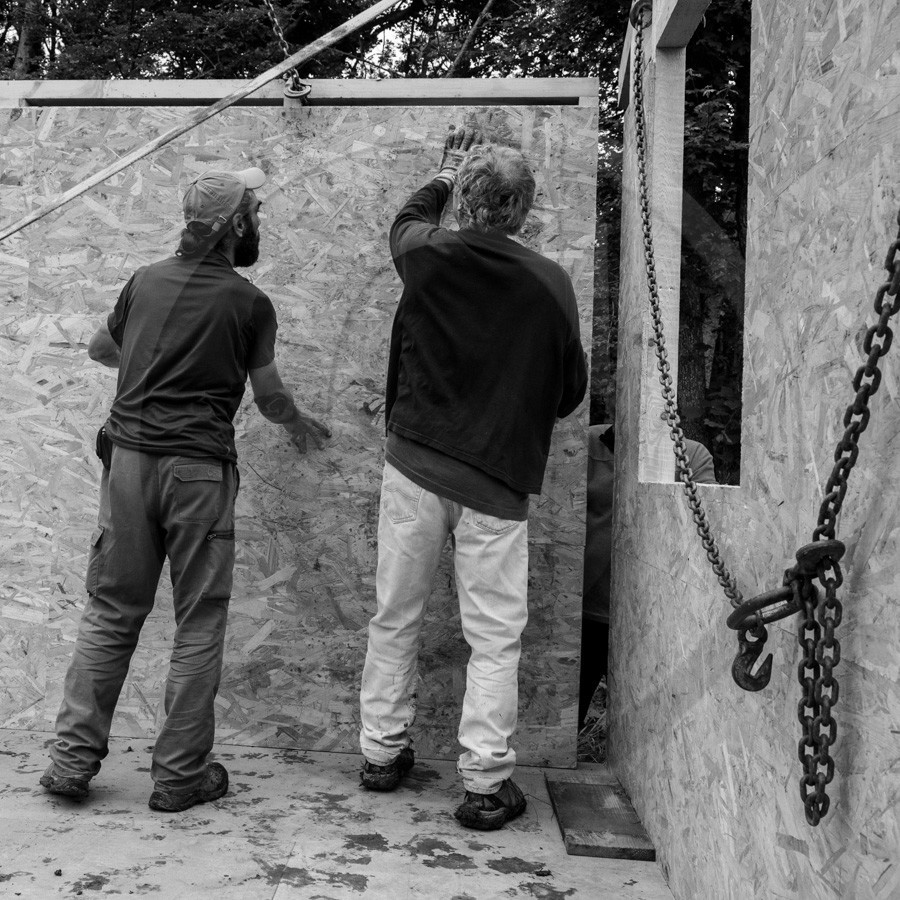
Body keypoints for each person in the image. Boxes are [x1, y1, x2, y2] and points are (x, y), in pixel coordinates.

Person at [40, 166, 330, 812]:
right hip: (197, 473)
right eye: (254, 210)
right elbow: (271, 396)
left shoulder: (144, 282)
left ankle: (70, 762)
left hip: (129, 466)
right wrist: (299, 423)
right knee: (199, 621)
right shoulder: (248, 303)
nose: (260, 219)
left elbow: (99, 350)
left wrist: (151, 359)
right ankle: (178, 778)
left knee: (113, 613)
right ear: (233, 227)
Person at [358, 126, 588, 831]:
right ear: (523, 210)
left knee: (396, 614)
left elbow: (405, 221)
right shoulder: (549, 282)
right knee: (493, 638)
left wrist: (444, 170)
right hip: (495, 482)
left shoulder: (429, 255)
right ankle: (485, 786)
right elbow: (571, 392)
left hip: (416, 467)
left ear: (467, 203)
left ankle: (380, 755)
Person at [578, 423, 716, 729]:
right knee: (563, 720)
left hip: (654, 620)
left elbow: (701, 534)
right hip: (584, 617)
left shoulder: (691, 455)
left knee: (653, 728)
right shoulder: (587, 444)